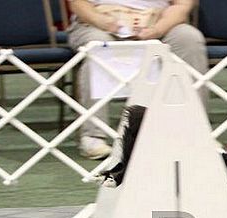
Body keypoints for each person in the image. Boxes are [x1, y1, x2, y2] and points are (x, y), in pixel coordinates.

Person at [67, 0, 208, 159]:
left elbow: (182, 5)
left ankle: (194, 131)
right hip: (97, 21)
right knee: (98, 44)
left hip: (157, 20)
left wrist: (157, 29)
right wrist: (105, 22)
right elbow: (77, 3)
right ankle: (93, 136)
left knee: (188, 37)